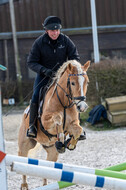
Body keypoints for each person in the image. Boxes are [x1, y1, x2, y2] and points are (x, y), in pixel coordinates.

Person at [27, 16, 80, 138]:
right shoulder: (39, 43)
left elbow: (75, 57)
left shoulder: (66, 40)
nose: (55, 33)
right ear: (46, 31)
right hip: (45, 75)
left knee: (75, 93)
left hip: (62, 76)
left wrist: (70, 67)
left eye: (57, 30)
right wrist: (44, 70)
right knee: (36, 95)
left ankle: (77, 125)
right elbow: (31, 62)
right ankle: (32, 126)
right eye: (52, 31)